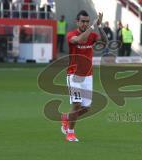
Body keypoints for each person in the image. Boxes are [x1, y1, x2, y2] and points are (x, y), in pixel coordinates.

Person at [60, 10, 108, 142]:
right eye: (83, 21)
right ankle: (70, 133)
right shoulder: (71, 35)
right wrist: (92, 26)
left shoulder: (92, 35)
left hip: (88, 76)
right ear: (77, 22)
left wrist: (99, 26)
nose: (85, 24)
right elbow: (79, 40)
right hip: (74, 75)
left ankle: (66, 118)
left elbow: (104, 42)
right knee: (76, 104)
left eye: (87, 21)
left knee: (86, 108)